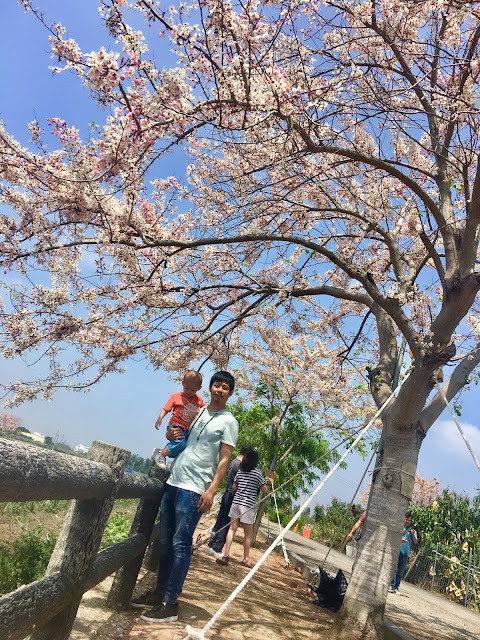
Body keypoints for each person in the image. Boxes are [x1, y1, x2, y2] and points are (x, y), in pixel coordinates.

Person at [131, 371, 238, 623]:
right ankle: (159, 593)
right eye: (216, 385)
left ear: (230, 393)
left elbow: (225, 459)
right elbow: (182, 437)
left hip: (195, 488)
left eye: (225, 387)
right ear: (209, 388)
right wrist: (170, 436)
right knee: (166, 543)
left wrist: (211, 490)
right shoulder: (199, 411)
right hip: (174, 479)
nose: (219, 390)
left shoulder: (229, 421)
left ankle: (170, 601)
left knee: (181, 544)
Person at [218, 448, 268, 568]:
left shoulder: (240, 472)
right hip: (246, 506)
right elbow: (264, 490)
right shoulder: (257, 473)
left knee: (232, 529)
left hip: (236, 503)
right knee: (248, 534)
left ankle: (226, 553)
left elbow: (234, 487)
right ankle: (246, 559)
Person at [204, 443, 253, 560]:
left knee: (220, 521)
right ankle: (217, 547)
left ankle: (212, 544)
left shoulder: (233, 462)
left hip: (227, 494)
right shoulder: (239, 465)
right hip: (232, 496)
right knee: (226, 523)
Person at [152, 370, 204, 469]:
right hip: (175, 425)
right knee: (180, 443)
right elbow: (166, 408)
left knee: (184, 447)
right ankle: (161, 454)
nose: (188, 392)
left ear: (199, 388)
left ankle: (159, 452)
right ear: (182, 383)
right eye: (186, 388)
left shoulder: (199, 400)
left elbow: (205, 411)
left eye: (193, 390)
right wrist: (160, 418)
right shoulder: (176, 396)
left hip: (187, 429)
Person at [388, 511, 418, 594]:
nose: (407, 521)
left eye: (409, 520)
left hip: (405, 553)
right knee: (394, 569)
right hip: (397, 551)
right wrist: (400, 540)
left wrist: (412, 535)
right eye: (406, 519)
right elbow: (393, 537)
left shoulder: (412, 530)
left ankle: (396, 587)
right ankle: (392, 585)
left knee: (400, 572)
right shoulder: (399, 527)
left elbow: (416, 542)